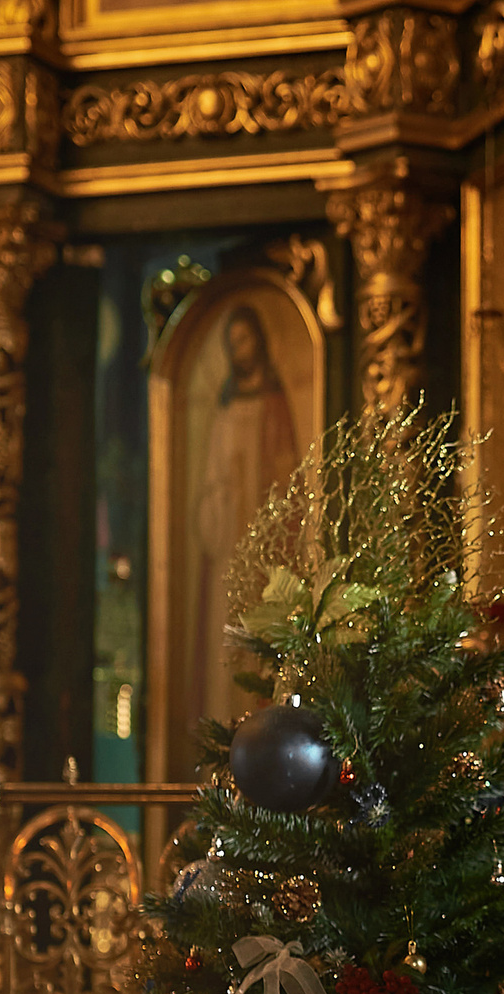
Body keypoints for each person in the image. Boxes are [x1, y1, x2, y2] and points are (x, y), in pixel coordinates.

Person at [190, 302, 300, 738]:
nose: (240, 350)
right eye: (232, 343)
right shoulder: (224, 411)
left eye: (245, 339)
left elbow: (288, 479)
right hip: (228, 552)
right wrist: (224, 496)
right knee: (226, 652)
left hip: (263, 554)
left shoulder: (275, 405)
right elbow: (211, 483)